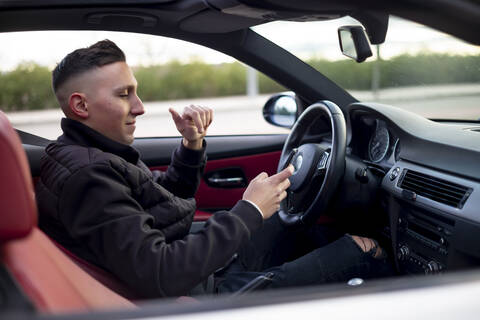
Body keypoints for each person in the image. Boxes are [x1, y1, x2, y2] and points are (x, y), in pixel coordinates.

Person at [36, 40, 391, 299]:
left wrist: (192, 146)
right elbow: (161, 274)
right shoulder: (90, 177)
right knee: (362, 250)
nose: (140, 107)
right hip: (205, 296)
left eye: (136, 92)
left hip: (201, 271)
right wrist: (248, 212)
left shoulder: (91, 154)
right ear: (80, 105)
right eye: (124, 94)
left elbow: (166, 198)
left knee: (297, 222)